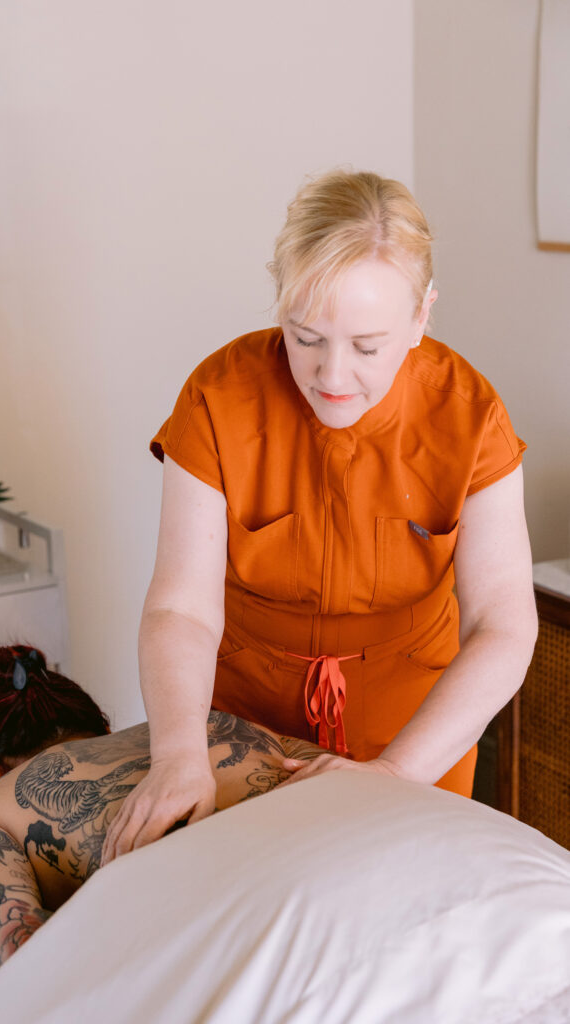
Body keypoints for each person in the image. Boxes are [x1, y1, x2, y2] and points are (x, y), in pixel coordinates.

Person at [100, 168, 538, 865]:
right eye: (305, 337)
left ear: (422, 315)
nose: (332, 377)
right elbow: (181, 608)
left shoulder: (470, 415)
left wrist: (394, 774)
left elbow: (503, 623)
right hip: (244, 728)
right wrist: (179, 754)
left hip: (414, 731)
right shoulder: (219, 395)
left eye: (367, 346)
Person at [0, 645, 326, 971]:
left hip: (243, 932)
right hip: (341, 867)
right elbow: (342, 777)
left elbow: (23, 959)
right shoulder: (221, 725)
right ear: (107, 729)